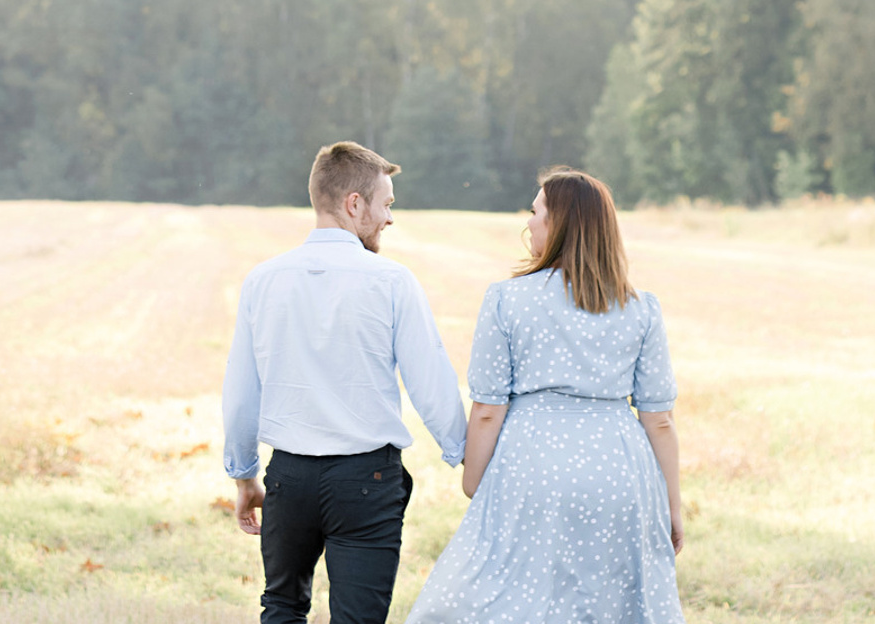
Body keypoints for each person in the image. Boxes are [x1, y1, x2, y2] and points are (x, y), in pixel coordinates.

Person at [406, 166, 685, 624]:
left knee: (509, 596)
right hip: (620, 472)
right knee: (608, 604)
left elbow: (487, 412)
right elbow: (659, 418)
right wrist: (670, 505)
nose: (528, 224)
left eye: (535, 212)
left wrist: (475, 479)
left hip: (531, 465)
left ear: (558, 224)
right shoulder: (639, 308)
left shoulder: (507, 299)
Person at [222, 141, 467, 624]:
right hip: (366, 481)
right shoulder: (393, 281)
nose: (390, 219)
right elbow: (431, 384)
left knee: (281, 608)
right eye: (387, 204)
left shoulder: (263, 280)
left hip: (288, 479)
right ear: (355, 203)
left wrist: (244, 475)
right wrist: (466, 458)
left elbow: (240, 393)